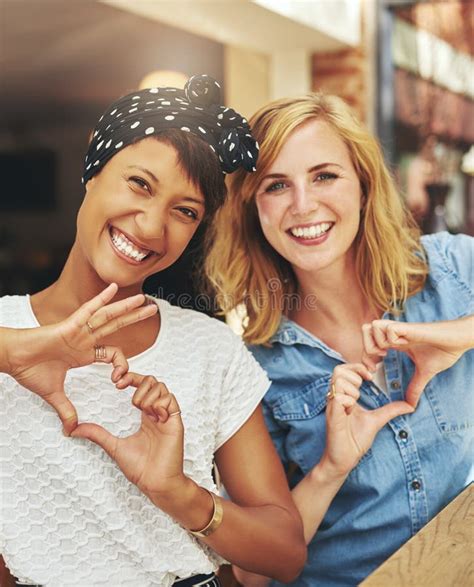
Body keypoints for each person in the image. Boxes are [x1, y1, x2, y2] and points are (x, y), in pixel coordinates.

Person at [0, 75, 306, 587]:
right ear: (92, 174)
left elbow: (285, 553)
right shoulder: (7, 331)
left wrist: (178, 494)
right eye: (139, 184)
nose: (149, 226)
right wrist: (16, 351)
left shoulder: (210, 348)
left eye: (185, 212)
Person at [205, 91, 474, 586]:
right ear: (253, 208)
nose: (303, 206)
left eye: (324, 175)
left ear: (364, 184)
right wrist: (331, 467)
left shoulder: (452, 271)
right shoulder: (252, 370)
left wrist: (458, 335)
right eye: (276, 185)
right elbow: (250, 574)